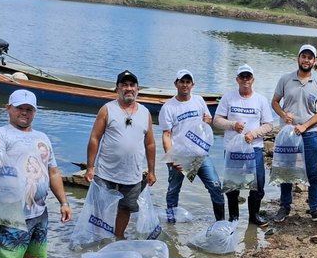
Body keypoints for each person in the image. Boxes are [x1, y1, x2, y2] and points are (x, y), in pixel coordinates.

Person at [0, 89, 72, 258]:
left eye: (29, 109)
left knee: (33, 254)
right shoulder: (0, 134)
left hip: (39, 211)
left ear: (35, 112)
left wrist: (64, 202)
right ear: (8, 109)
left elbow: (53, 173)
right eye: (19, 108)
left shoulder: (42, 137)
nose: (24, 112)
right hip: (11, 212)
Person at [85, 70, 157, 239]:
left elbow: (150, 143)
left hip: (132, 173)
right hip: (105, 171)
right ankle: (98, 238)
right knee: (100, 207)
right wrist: (90, 167)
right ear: (117, 89)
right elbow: (95, 138)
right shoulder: (107, 109)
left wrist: (152, 171)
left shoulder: (145, 113)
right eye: (124, 85)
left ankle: (119, 237)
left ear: (137, 89)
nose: (128, 88)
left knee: (126, 207)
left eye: (132, 85)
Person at [271, 44, 317, 222]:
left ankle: (315, 208)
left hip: (309, 133)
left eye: (310, 58)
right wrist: (283, 114)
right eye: (303, 56)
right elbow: (274, 102)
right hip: (288, 134)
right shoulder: (285, 79)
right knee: (286, 170)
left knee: (312, 171)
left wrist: (304, 126)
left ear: (314, 61)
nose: (306, 60)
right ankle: (284, 207)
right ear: (298, 58)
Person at [160, 69, 226, 221]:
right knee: (173, 191)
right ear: (176, 84)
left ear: (192, 84)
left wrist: (206, 121)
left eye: (187, 82)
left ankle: (221, 223)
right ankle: (171, 225)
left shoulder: (199, 100)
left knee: (215, 186)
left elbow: (207, 119)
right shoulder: (168, 107)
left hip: (200, 154)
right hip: (179, 155)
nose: (185, 85)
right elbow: (166, 135)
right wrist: (172, 158)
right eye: (181, 81)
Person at [213, 64, 274, 226]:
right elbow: (217, 120)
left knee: (259, 183)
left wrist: (253, 134)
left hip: (254, 148)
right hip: (233, 149)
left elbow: (269, 125)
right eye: (242, 77)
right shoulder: (228, 97)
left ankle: (254, 216)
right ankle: (234, 217)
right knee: (233, 184)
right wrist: (233, 125)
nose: (245, 80)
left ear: (253, 80)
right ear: (237, 79)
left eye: (248, 77)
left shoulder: (260, 99)